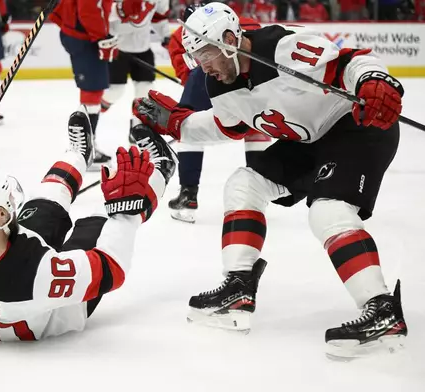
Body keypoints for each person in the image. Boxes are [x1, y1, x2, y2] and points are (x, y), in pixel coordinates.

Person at [133, 2, 407, 358]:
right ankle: (238, 288)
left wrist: (374, 81)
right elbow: (225, 126)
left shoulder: (282, 47)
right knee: (242, 185)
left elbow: (350, 62)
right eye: (197, 59)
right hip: (310, 141)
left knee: (328, 212)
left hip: (356, 127)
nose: (205, 68)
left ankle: (382, 309)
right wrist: (178, 125)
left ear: (231, 39)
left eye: (208, 55)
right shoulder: (220, 85)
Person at [0, 108, 176, 341]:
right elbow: (112, 269)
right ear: (0, 216)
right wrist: (125, 209)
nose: (13, 201)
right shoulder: (39, 272)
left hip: (10, 281)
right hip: (56, 312)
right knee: (109, 215)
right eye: (7, 201)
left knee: (45, 204)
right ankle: (162, 168)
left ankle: (78, 154)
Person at [166, 4, 271, 223]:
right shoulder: (236, 22)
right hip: (247, 80)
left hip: (204, 82)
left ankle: (188, 195)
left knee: (188, 129)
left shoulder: (180, 36)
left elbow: (186, 73)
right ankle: (259, 188)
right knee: (255, 126)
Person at [49, 0, 118, 165]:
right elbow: (88, 9)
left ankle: (87, 146)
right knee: (92, 93)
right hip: (85, 37)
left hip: (82, 33)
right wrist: (101, 36)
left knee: (94, 92)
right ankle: (85, 150)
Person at [100, 0, 170, 143]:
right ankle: (93, 110)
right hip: (117, 47)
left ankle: (137, 129)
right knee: (115, 91)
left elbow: (158, 17)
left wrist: (166, 36)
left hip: (143, 48)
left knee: (145, 91)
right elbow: (103, 11)